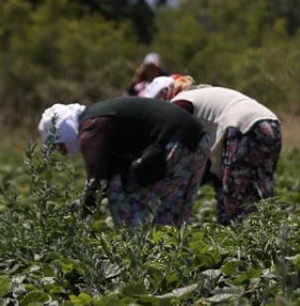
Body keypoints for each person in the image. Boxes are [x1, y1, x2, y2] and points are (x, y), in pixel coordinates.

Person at [39, 97, 207, 227]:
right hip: (197, 141)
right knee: (173, 213)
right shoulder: (95, 118)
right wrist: (79, 205)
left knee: (117, 189)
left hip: (174, 142)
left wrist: (81, 221)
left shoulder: (90, 126)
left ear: (62, 131)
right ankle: (163, 256)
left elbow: (97, 181)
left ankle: (132, 244)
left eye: (58, 145)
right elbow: (110, 171)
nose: (60, 152)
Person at [154, 78, 283, 224]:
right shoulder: (202, 93)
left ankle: (245, 240)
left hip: (243, 129)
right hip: (270, 124)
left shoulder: (180, 102)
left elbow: (172, 151)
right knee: (261, 190)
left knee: (237, 197)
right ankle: (267, 236)